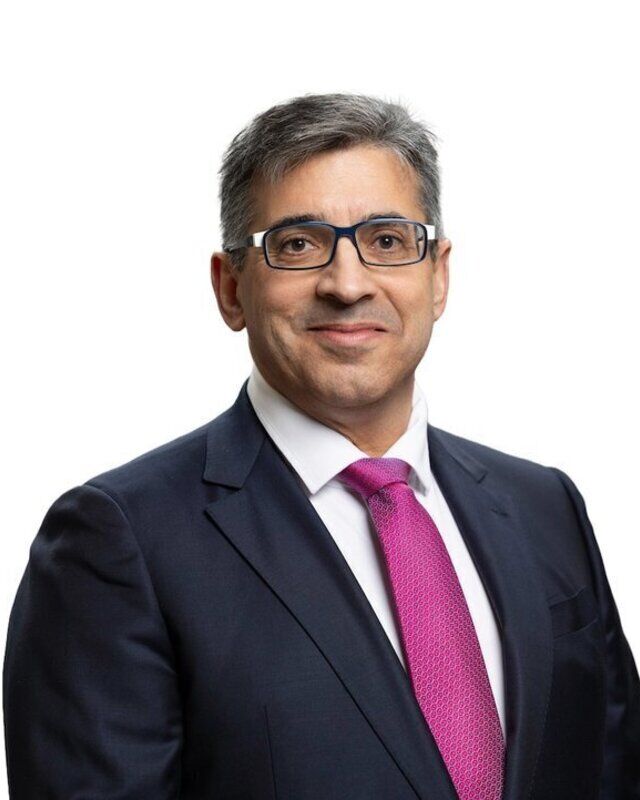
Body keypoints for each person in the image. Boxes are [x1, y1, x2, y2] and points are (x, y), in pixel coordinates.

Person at [3, 92, 639, 800]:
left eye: (388, 241)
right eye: (298, 245)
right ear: (231, 288)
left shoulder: (546, 506)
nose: (347, 284)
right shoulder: (119, 542)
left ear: (439, 277)